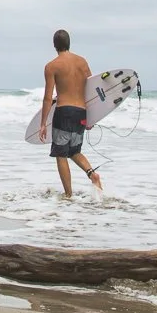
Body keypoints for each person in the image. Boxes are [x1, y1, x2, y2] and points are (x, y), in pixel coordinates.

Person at [38, 28, 103, 197]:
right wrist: (92, 117)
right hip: (81, 112)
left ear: (54, 45)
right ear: (69, 43)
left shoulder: (52, 66)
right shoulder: (82, 62)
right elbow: (91, 89)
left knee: (61, 154)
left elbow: (47, 98)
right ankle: (92, 174)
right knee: (74, 151)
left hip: (64, 112)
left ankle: (68, 195)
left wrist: (43, 123)